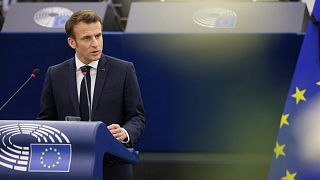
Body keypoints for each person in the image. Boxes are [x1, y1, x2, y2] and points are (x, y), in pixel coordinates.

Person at [37, 10, 145, 180]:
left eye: (98, 36)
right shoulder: (55, 74)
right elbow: (46, 120)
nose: (96, 43)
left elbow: (137, 116)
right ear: (72, 42)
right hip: (70, 167)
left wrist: (125, 132)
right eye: (87, 38)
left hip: (113, 168)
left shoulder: (123, 70)